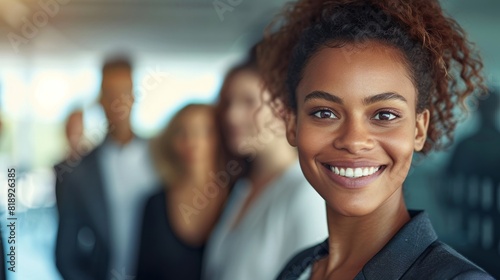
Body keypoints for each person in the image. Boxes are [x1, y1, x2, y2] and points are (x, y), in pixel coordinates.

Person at [256, 0, 495, 279]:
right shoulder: (298, 268)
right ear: (293, 124)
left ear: (419, 129)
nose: (354, 140)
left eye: (384, 115)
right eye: (325, 112)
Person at [202, 54, 328, 280]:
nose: (231, 116)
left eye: (249, 102)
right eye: (228, 102)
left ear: (283, 110)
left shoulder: (306, 192)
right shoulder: (242, 187)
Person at [55, 58, 159, 280]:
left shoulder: (161, 159)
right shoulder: (79, 173)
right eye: (110, 93)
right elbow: (66, 254)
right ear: (100, 100)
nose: (118, 102)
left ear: (134, 97)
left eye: (125, 92)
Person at [136, 104, 230, 280]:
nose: (191, 141)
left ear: (220, 137)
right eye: (181, 132)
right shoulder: (154, 203)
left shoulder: (239, 196)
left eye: (203, 131)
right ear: (171, 141)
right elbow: (143, 273)